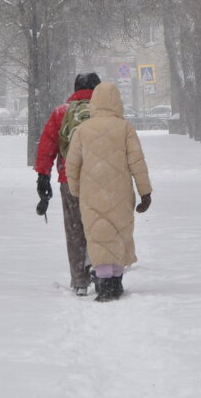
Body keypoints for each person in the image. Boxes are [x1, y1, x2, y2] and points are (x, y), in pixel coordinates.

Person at [64, 81, 153, 302]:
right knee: (118, 233)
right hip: (121, 192)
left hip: (91, 193)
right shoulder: (125, 128)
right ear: (117, 103)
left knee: (97, 234)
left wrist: (76, 190)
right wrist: (145, 192)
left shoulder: (83, 130)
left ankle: (103, 282)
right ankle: (115, 281)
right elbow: (137, 162)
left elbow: (72, 164)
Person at [35, 72, 101, 295]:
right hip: (100, 178)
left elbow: (47, 146)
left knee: (75, 229)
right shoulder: (104, 113)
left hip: (69, 179)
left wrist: (43, 175)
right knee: (100, 224)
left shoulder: (61, 113)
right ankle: (101, 269)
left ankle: (79, 281)